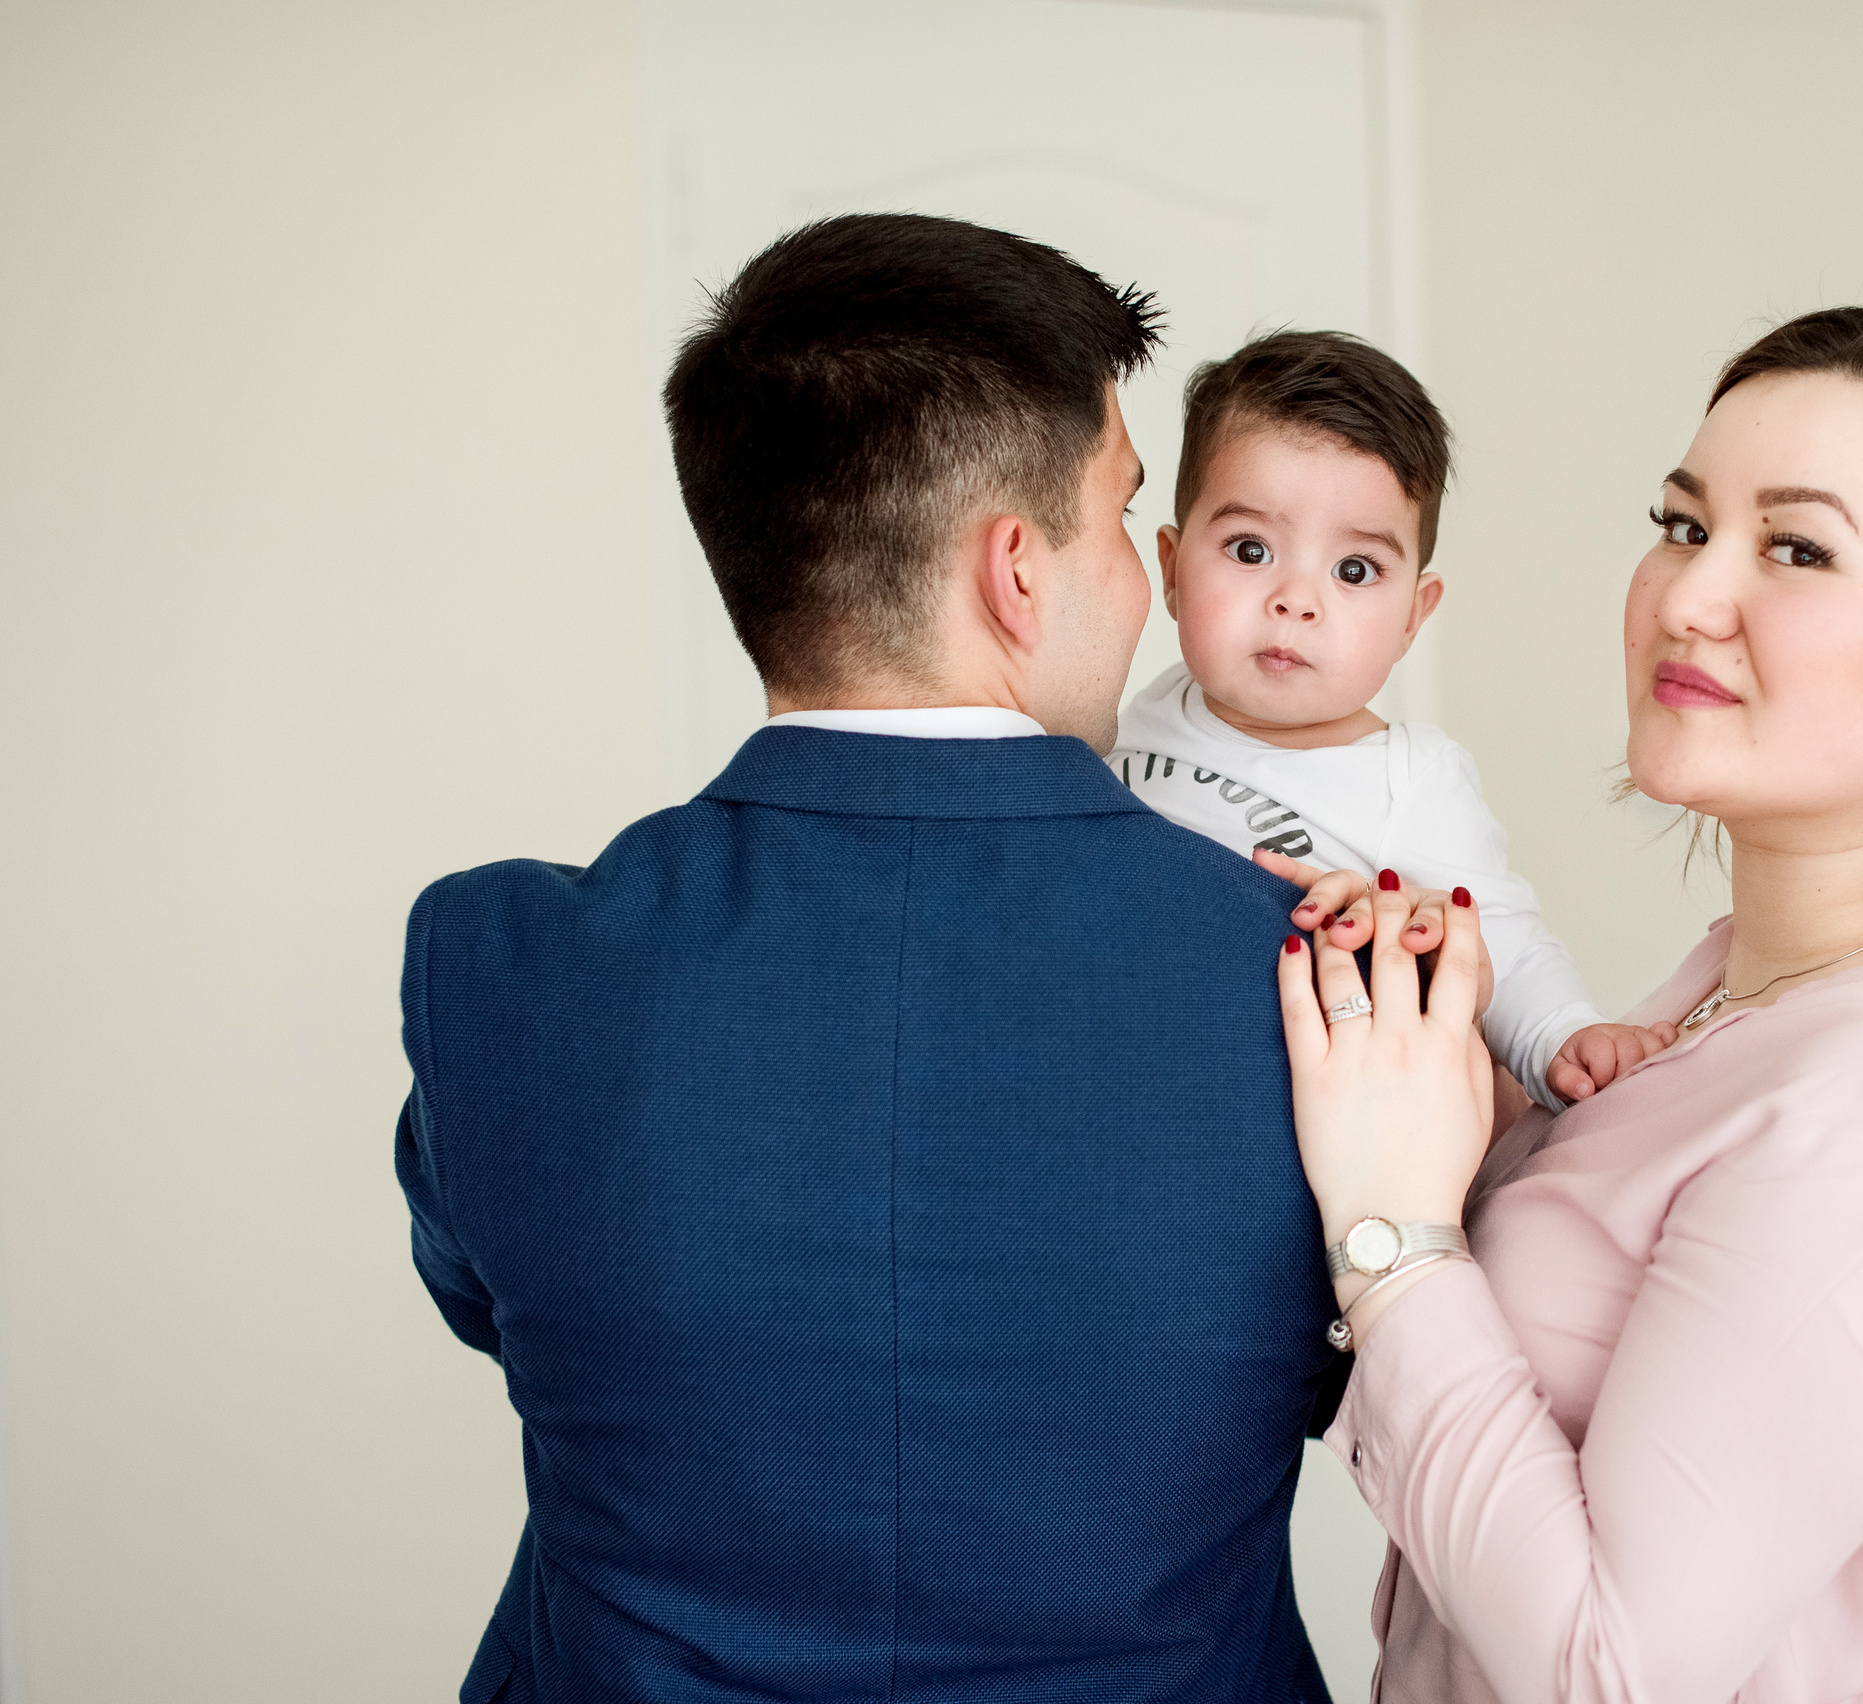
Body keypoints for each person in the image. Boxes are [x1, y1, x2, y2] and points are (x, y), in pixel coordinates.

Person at [394, 214, 1342, 1703]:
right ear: (1017, 571)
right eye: (1121, 518)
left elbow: (490, 1300)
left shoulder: (502, 964)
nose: (1145, 586)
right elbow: (1339, 1369)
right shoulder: (1306, 970)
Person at [1273, 308, 1863, 1701]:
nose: (1689, 596)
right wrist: (1450, 1086)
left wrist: (1396, 1236)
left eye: (1797, 548)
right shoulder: (1727, 993)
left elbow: (1611, 1675)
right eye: (1681, 522)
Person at [1110, 330, 1673, 1111]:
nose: (1296, 599)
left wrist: (1562, 1037)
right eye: (1249, 549)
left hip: (1299, 1113)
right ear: (1171, 571)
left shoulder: (1409, 781)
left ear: (1414, 614)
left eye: (1354, 570)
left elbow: (1499, 940)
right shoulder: (1143, 711)